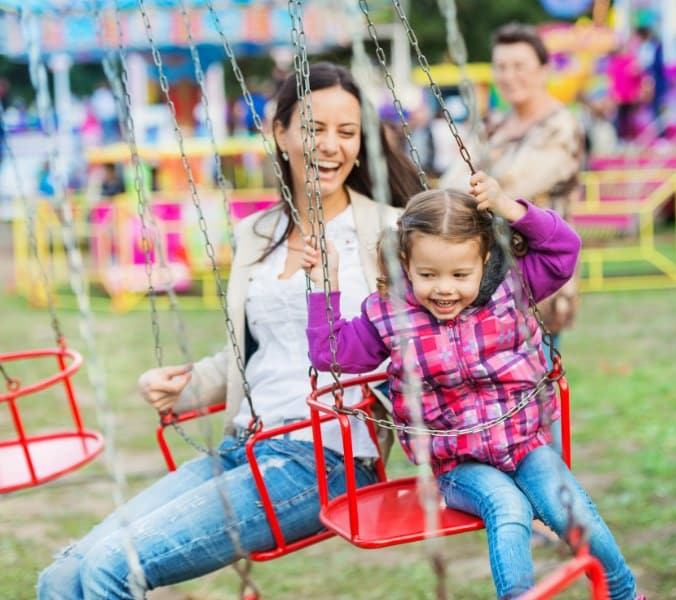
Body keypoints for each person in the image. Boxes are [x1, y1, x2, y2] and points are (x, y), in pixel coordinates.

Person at [36, 61, 422, 600]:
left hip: (327, 458)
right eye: (313, 128)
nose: (330, 145)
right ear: (280, 132)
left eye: (346, 132)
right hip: (245, 446)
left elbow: (441, 326)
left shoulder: (391, 229)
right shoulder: (256, 233)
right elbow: (255, 352)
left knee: (108, 569)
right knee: (62, 576)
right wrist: (185, 386)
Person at [303, 173, 640, 600]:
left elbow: (562, 250)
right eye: (428, 274)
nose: (445, 289)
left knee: (569, 507)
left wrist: (507, 206)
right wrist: (323, 283)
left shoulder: (512, 288)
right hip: (458, 464)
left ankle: (623, 592)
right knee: (508, 507)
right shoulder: (390, 316)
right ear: (404, 264)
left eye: (461, 274)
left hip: (525, 443)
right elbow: (331, 355)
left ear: (485, 261)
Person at [441, 22, 582, 454]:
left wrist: (467, 187)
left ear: (543, 68)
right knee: (499, 401)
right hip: (488, 285)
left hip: (539, 282)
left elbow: (516, 182)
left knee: (536, 401)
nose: (509, 75)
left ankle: (555, 505)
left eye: (520, 65)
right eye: (501, 67)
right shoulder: (497, 125)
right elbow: (450, 181)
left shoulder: (561, 125)